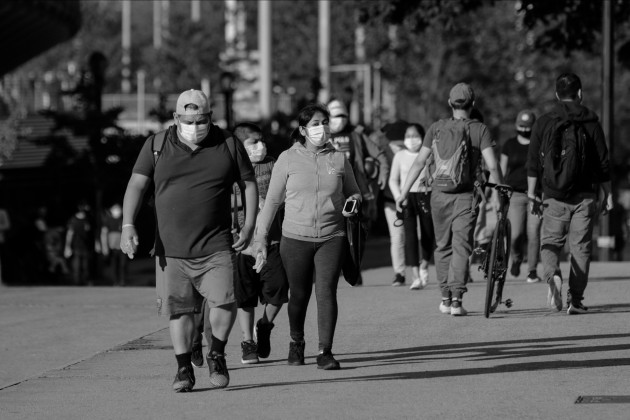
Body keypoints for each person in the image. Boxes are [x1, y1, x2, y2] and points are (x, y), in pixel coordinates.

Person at [120, 89, 258, 392]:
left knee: (224, 301)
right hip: (172, 249)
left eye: (201, 119)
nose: (194, 125)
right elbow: (136, 185)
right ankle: (183, 369)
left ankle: (217, 354)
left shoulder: (228, 144)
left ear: (210, 117)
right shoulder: (156, 145)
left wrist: (248, 226)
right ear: (175, 118)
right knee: (179, 310)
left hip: (217, 244)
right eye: (188, 119)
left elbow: (248, 183)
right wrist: (127, 224)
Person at [253, 103, 361, 370]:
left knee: (326, 292)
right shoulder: (287, 159)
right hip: (295, 237)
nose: (322, 128)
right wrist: (261, 238)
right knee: (299, 294)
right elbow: (272, 202)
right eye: (315, 124)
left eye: (325, 122)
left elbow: (354, 191)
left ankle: (325, 351)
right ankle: (296, 342)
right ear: (302, 130)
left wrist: (354, 203)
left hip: (331, 235)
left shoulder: (338, 158)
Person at [395, 83, 504, 316]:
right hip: (465, 196)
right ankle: (457, 300)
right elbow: (492, 165)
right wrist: (500, 191)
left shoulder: (436, 128)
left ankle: (445, 298)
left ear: (449, 103)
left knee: (442, 246)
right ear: (473, 104)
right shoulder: (480, 129)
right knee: (461, 247)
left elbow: (419, 162)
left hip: (438, 195)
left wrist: (403, 193)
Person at [527, 73, 612, 315]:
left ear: (556, 95)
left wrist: (533, 193)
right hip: (584, 195)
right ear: (580, 93)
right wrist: (608, 194)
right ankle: (575, 299)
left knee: (550, 243)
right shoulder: (591, 122)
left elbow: (533, 161)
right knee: (581, 248)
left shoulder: (544, 122)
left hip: (553, 195)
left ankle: (553, 275)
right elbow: (603, 163)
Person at [231, 122, 289, 365]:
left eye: (261, 140)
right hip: (241, 245)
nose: (260, 146)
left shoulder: (274, 164)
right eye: (253, 142)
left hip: (273, 240)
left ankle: (264, 325)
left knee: (278, 290)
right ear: (240, 147)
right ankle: (247, 341)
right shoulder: (231, 170)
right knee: (245, 297)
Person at [327, 99, 390, 226]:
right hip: (329, 185)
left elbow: (379, 154)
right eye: (335, 116)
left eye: (343, 116)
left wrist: (383, 172)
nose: (340, 119)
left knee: (357, 225)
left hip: (354, 186)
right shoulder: (322, 134)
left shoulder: (356, 134)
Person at [389, 123, 435, 290]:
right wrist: (398, 197)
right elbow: (392, 180)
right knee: (410, 236)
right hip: (407, 197)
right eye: (407, 136)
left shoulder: (429, 154)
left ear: (423, 137)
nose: (411, 139)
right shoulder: (400, 155)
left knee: (428, 233)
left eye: (415, 135)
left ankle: (424, 265)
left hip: (426, 195)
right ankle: (415, 275)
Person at [500, 110, 542, 283]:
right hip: (515, 195)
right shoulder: (509, 145)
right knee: (515, 234)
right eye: (521, 125)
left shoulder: (538, 145)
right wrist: (499, 194)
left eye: (527, 126)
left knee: (533, 233)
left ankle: (532, 270)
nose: (524, 129)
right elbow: (502, 170)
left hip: (535, 196)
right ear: (516, 125)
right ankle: (516, 257)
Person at [64, 201, 95, 286]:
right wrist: (67, 247)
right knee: (76, 267)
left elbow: (92, 234)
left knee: (86, 267)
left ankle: (85, 283)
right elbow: (69, 234)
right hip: (76, 247)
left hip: (86, 247)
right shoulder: (73, 220)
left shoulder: (88, 219)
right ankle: (77, 284)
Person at [100, 203, 128, 286]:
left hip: (123, 247)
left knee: (123, 265)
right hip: (112, 247)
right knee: (114, 265)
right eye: (115, 209)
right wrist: (105, 248)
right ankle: (115, 281)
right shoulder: (107, 220)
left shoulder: (124, 220)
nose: (117, 211)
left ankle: (123, 281)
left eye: (118, 209)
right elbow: (103, 234)